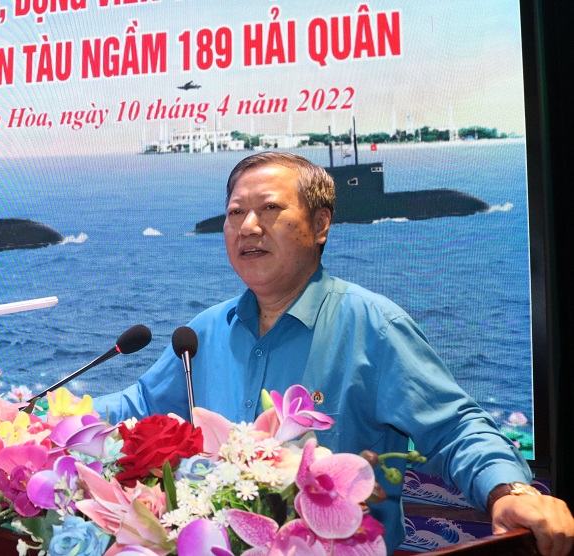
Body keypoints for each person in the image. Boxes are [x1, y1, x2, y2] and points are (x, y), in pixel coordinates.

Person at [93, 152, 574, 555]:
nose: (248, 226)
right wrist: (51, 416)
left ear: (320, 223)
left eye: (269, 208)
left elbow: (454, 429)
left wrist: (509, 490)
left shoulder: (373, 327)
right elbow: (138, 407)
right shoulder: (204, 333)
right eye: (236, 213)